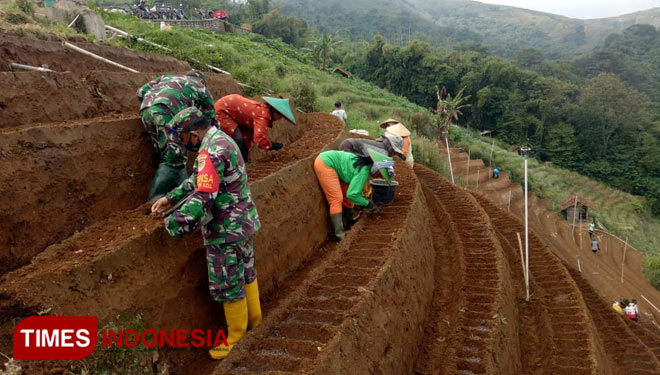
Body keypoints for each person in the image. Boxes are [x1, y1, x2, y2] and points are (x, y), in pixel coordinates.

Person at [151, 107, 262, 360]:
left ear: (193, 132)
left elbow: (203, 195)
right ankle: (256, 320)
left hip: (225, 231)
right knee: (246, 270)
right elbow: (196, 180)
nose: (181, 142)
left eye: (181, 137)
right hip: (244, 223)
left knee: (228, 283)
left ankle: (236, 337)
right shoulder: (221, 140)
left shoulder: (210, 152)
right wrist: (170, 198)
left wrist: (174, 222)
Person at [137, 70, 218, 202]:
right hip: (168, 112)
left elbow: (140, 93)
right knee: (176, 156)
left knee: (166, 152)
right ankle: (157, 198)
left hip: (146, 109)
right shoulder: (202, 88)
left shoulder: (168, 76)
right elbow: (210, 121)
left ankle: (173, 191)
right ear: (202, 81)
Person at [314, 149, 395, 240]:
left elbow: (355, 188)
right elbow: (352, 194)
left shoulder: (366, 165)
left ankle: (350, 221)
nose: (379, 176)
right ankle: (339, 235)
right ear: (376, 169)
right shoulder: (364, 172)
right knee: (336, 199)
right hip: (326, 163)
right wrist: (368, 203)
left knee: (348, 198)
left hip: (338, 167)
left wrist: (362, 198)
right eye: (380, 174)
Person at [215, 94, 296, 162]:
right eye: (280, 117)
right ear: (276, 113)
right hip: (223, 110)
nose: (278, 119)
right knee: (238, 138)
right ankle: (227, 164)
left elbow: (254, 136)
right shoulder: (264, 116)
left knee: (244, 145)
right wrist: (273, 145)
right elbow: (259, 139)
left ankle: (240, 164)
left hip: (233, 110)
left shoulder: (263, 111)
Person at [339, 132, 405, 161]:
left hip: (348, 143)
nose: (394, 155)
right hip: (349, 146)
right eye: (395, 152)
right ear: (392, 150)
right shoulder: (384, 152)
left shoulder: (382, 145)